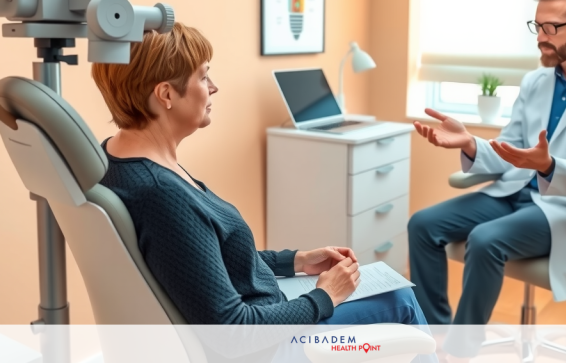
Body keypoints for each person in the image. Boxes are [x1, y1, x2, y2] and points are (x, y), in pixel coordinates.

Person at [90, 22, 430, 329]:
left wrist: (295, 260)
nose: (214, 87)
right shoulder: (162, 194)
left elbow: (207, 264)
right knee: (400, 300)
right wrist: (326, 296)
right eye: (204, 76)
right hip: (273, 345)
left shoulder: (119, 157)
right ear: (166, 95)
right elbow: (232, 330)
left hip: (268, 309)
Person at [408, 0, 566, 358]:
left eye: (552, 27)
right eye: (537, 26)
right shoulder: (535, 81)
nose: (541, 37)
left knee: (486, 239)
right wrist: (471, 143)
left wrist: (551, 166)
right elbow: (510, 149)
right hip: (513, 193)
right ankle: (431, 332)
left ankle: (459, 349)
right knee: (422, 224)